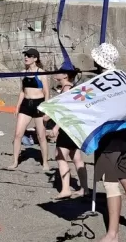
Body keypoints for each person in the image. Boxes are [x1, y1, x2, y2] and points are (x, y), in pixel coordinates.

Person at [91, 43, 126, 242]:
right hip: (123, 134)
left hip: (108, 136)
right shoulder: (125, 77)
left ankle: (113, 234)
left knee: (111, 184)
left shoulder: (101, 80)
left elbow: (94, 107)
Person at [49, 67, 88, 199]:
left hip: (67, 127)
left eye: (59, 71)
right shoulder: (76, 88)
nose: (56, 73)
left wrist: (56, 127)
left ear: (65, 75)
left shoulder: (66, 89)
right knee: (77, 158)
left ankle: (66, 189)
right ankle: (84, 188)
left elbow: (65, 111)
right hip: (75, 127)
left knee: (60, 156)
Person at [8, 48, 50, 171]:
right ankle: (15, 161)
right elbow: (22, 91)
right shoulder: (23, 73)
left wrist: (46, 110)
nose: (26, 57)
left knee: (41, 136)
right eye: (25, 55)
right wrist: (17, 106)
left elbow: (47, 92)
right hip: (26, 104)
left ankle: (45, 162)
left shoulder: (42, 73)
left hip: (39, 105)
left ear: (35, 58)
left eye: (29, 56)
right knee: (17, 134)